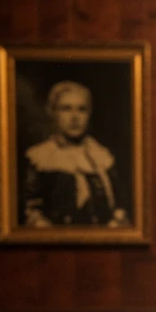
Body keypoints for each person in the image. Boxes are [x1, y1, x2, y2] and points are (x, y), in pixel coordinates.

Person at [23, 80, 130, 227]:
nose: (75, 117)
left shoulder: (102, 157)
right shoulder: (39, 158)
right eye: (66, 109)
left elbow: (119, 205)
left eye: (81, 109)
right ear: (53, 112)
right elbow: (30, 209)